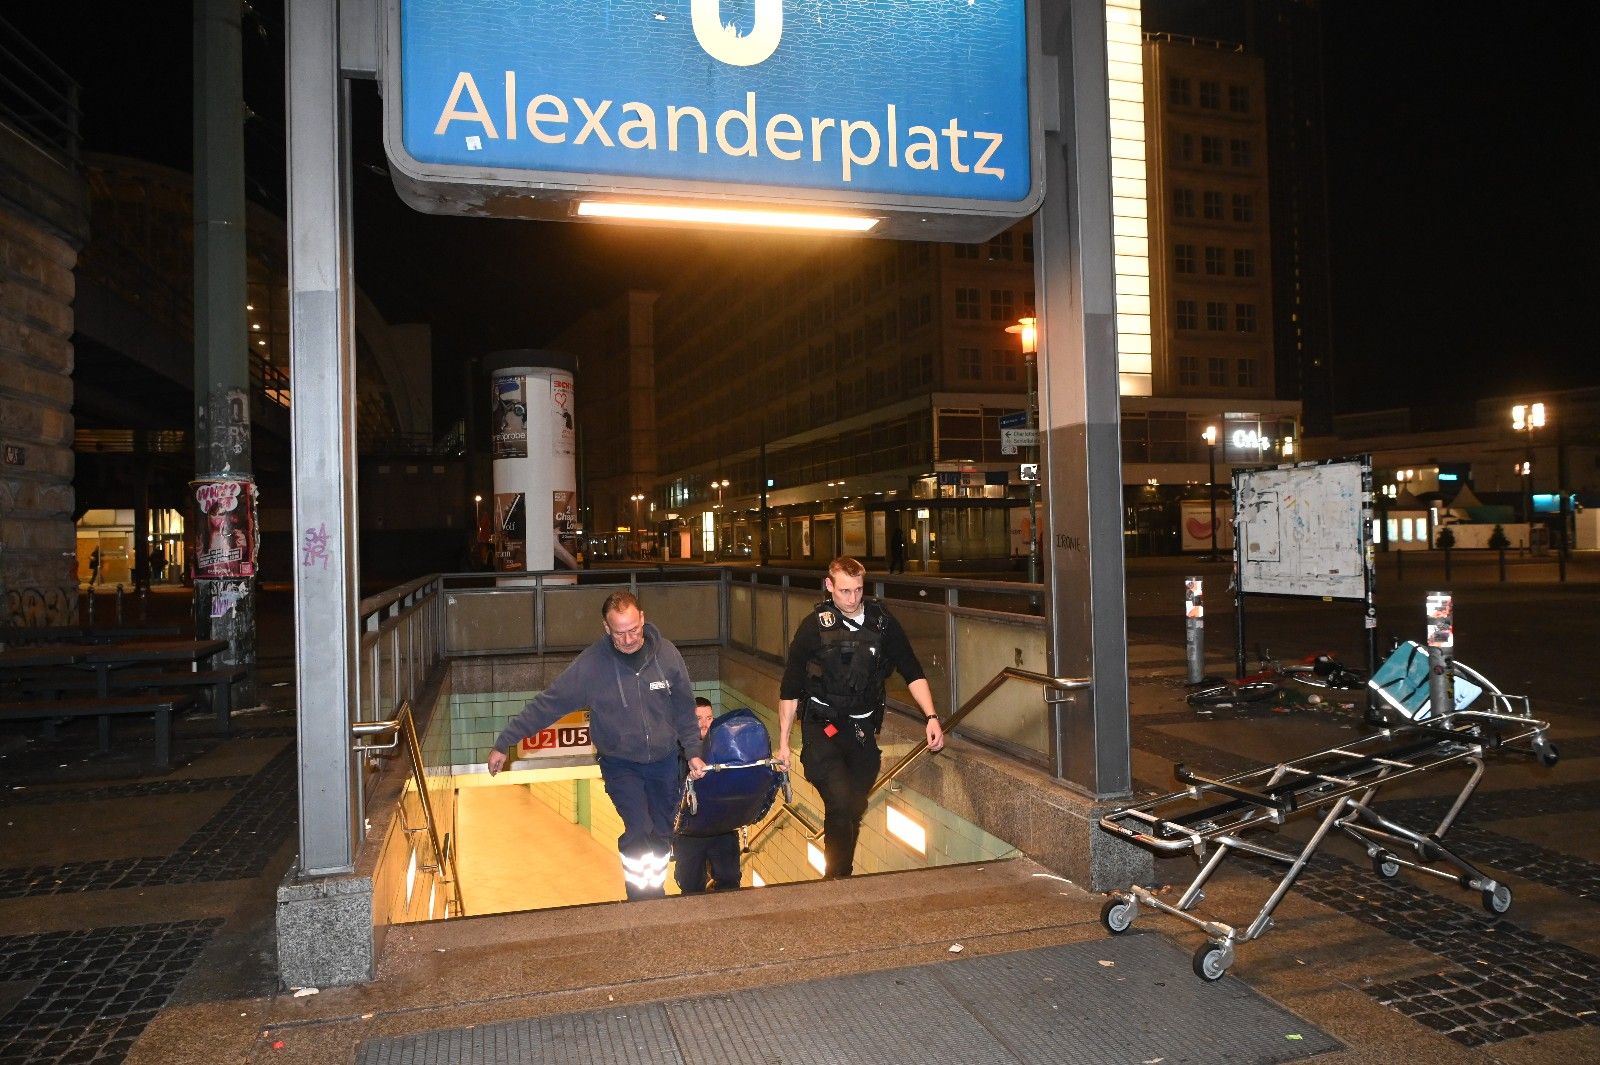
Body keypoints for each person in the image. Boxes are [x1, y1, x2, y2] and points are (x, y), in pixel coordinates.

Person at [487, 591, 706, 900]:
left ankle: (653, 889)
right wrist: (505, 741)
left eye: (634, 629)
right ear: (606, 628)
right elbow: (547, 705)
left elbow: (685, 708)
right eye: (620, 632)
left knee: (661, 832)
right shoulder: (591, 666)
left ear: (642, 618)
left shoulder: (667, 655)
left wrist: (693, 752)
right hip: (620, 765)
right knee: (639, 829)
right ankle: (642, 898)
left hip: (664, 761)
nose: (629, 639)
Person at [776, 556, 944, 878]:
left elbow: (912, 669)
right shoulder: (813, 627)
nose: (852, 599)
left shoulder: (882, 623)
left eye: (857, 590)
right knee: (840, 799)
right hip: (821, 728)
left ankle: (839, 873)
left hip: (861, 730)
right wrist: (783, 743)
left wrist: (931, 716)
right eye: (844, 591)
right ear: (829, 587)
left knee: (853, 806)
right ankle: (838, 879)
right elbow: (790, 686)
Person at [673, 697, 741, 894]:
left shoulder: (725, 749)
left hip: (723, 828)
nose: (704, 724)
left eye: (709, 718)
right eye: (698, 718)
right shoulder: (676, 752)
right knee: (691, 887)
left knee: (730, 883)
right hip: (689, 832)